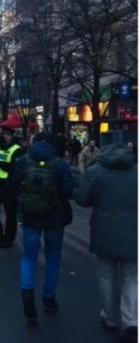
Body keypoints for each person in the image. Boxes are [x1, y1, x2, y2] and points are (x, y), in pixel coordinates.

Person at [74, 144, 137, 343]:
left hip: (104, 230)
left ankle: (110, 316)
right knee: (132, 278)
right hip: (134, 233)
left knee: (106, 276)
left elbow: (82, 200)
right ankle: (131, 320)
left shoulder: (95, 172)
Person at [12, 132, 75, 320]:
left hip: (30, 216)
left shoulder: (23, 161)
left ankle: (27, 291)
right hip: (54, 217)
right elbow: (69, 190)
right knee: (53, 257)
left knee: (29, 255)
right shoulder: (60, 164)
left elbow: (13, 184)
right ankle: (48, 298)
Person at [0, 126, 25, 248]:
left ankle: (8, 238)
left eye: (7, 134)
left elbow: (15, 168)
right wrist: (2, 164)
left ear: (12, 136)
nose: (5, 136)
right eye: (3, 134)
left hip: (8, 186)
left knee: (10, 214)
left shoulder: (17, 149)